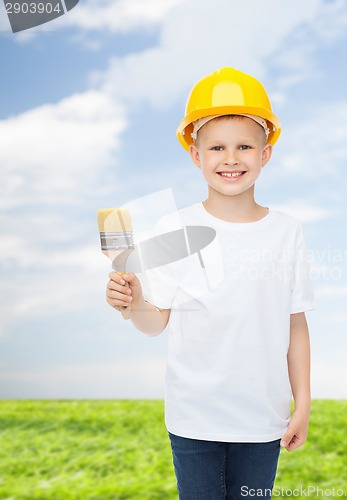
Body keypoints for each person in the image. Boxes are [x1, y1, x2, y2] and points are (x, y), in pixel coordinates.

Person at [106, 67, 315, 499]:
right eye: (217, 147)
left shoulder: (288, 231)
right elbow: (154, 322)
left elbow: (295, 323)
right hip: (193, 417)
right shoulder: (174, 228)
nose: (231, 158)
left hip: (263, 418)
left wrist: (304, 401)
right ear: (196, 155)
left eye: (245, 146)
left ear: (266, 153)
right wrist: (134, 302)